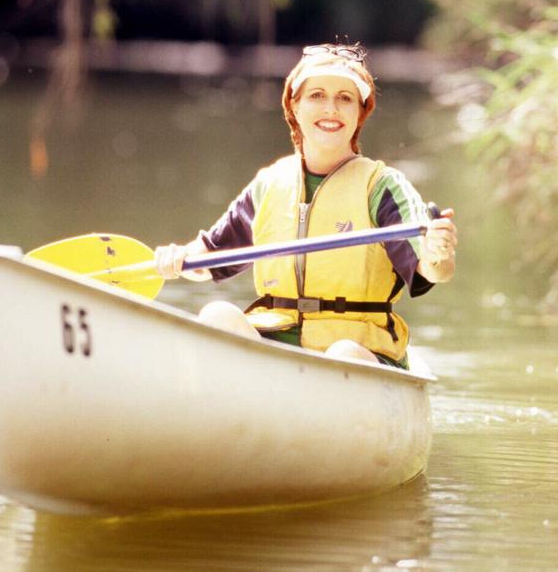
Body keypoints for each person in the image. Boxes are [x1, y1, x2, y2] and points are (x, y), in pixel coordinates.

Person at [155, 43, 457, 367]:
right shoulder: (269, 184)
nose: (331, 109)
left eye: (345, 98)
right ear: (294, 107)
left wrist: (437, 253)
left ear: (360, 112)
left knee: (343, 354)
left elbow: (432, 268)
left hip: (359, 350)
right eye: (316, 96)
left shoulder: (382, 186)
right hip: (275, 343)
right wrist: (178, 258)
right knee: (218, 314)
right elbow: (210, 255)